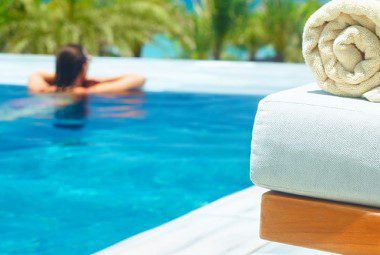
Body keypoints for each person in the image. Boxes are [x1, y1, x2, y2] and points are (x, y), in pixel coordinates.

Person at [28, 44, 146, 94]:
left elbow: (36, 74)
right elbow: (138, 79)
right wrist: (97, 81)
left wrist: (63, 75)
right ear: (83, 67)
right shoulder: (87, 92)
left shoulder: (42, 89)